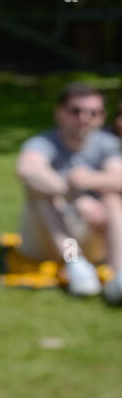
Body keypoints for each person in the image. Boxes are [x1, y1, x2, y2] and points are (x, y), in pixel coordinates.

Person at [15, 82, 122, 305]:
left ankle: (118, 275)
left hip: (93, 234)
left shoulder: (107, 145)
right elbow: (27, 170)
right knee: (40, 192)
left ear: (102, 117)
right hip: (49, 239)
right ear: (60, 113)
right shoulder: (43, 143)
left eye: (93, 113)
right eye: (76, 111)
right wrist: (74, 194)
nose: (84, 118)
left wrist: (91, 180)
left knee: (112, 198)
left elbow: (117, 177)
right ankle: (76, 263)